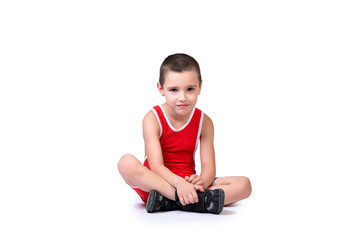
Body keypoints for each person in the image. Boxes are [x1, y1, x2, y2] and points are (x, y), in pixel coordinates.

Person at [118, 53, 251, 214]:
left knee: (244, 185)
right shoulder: (152, 118)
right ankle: (190, 199)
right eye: (174, 90)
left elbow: (209, 167)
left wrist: (201, 181)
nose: (183, 97)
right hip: (157, 185)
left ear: (200, 87)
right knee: (126, 163)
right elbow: (156, 165)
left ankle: (173, 202)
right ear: (161, 89)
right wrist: (179, 185)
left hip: (190, 184)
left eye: (190, 89)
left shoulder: (205, 122)